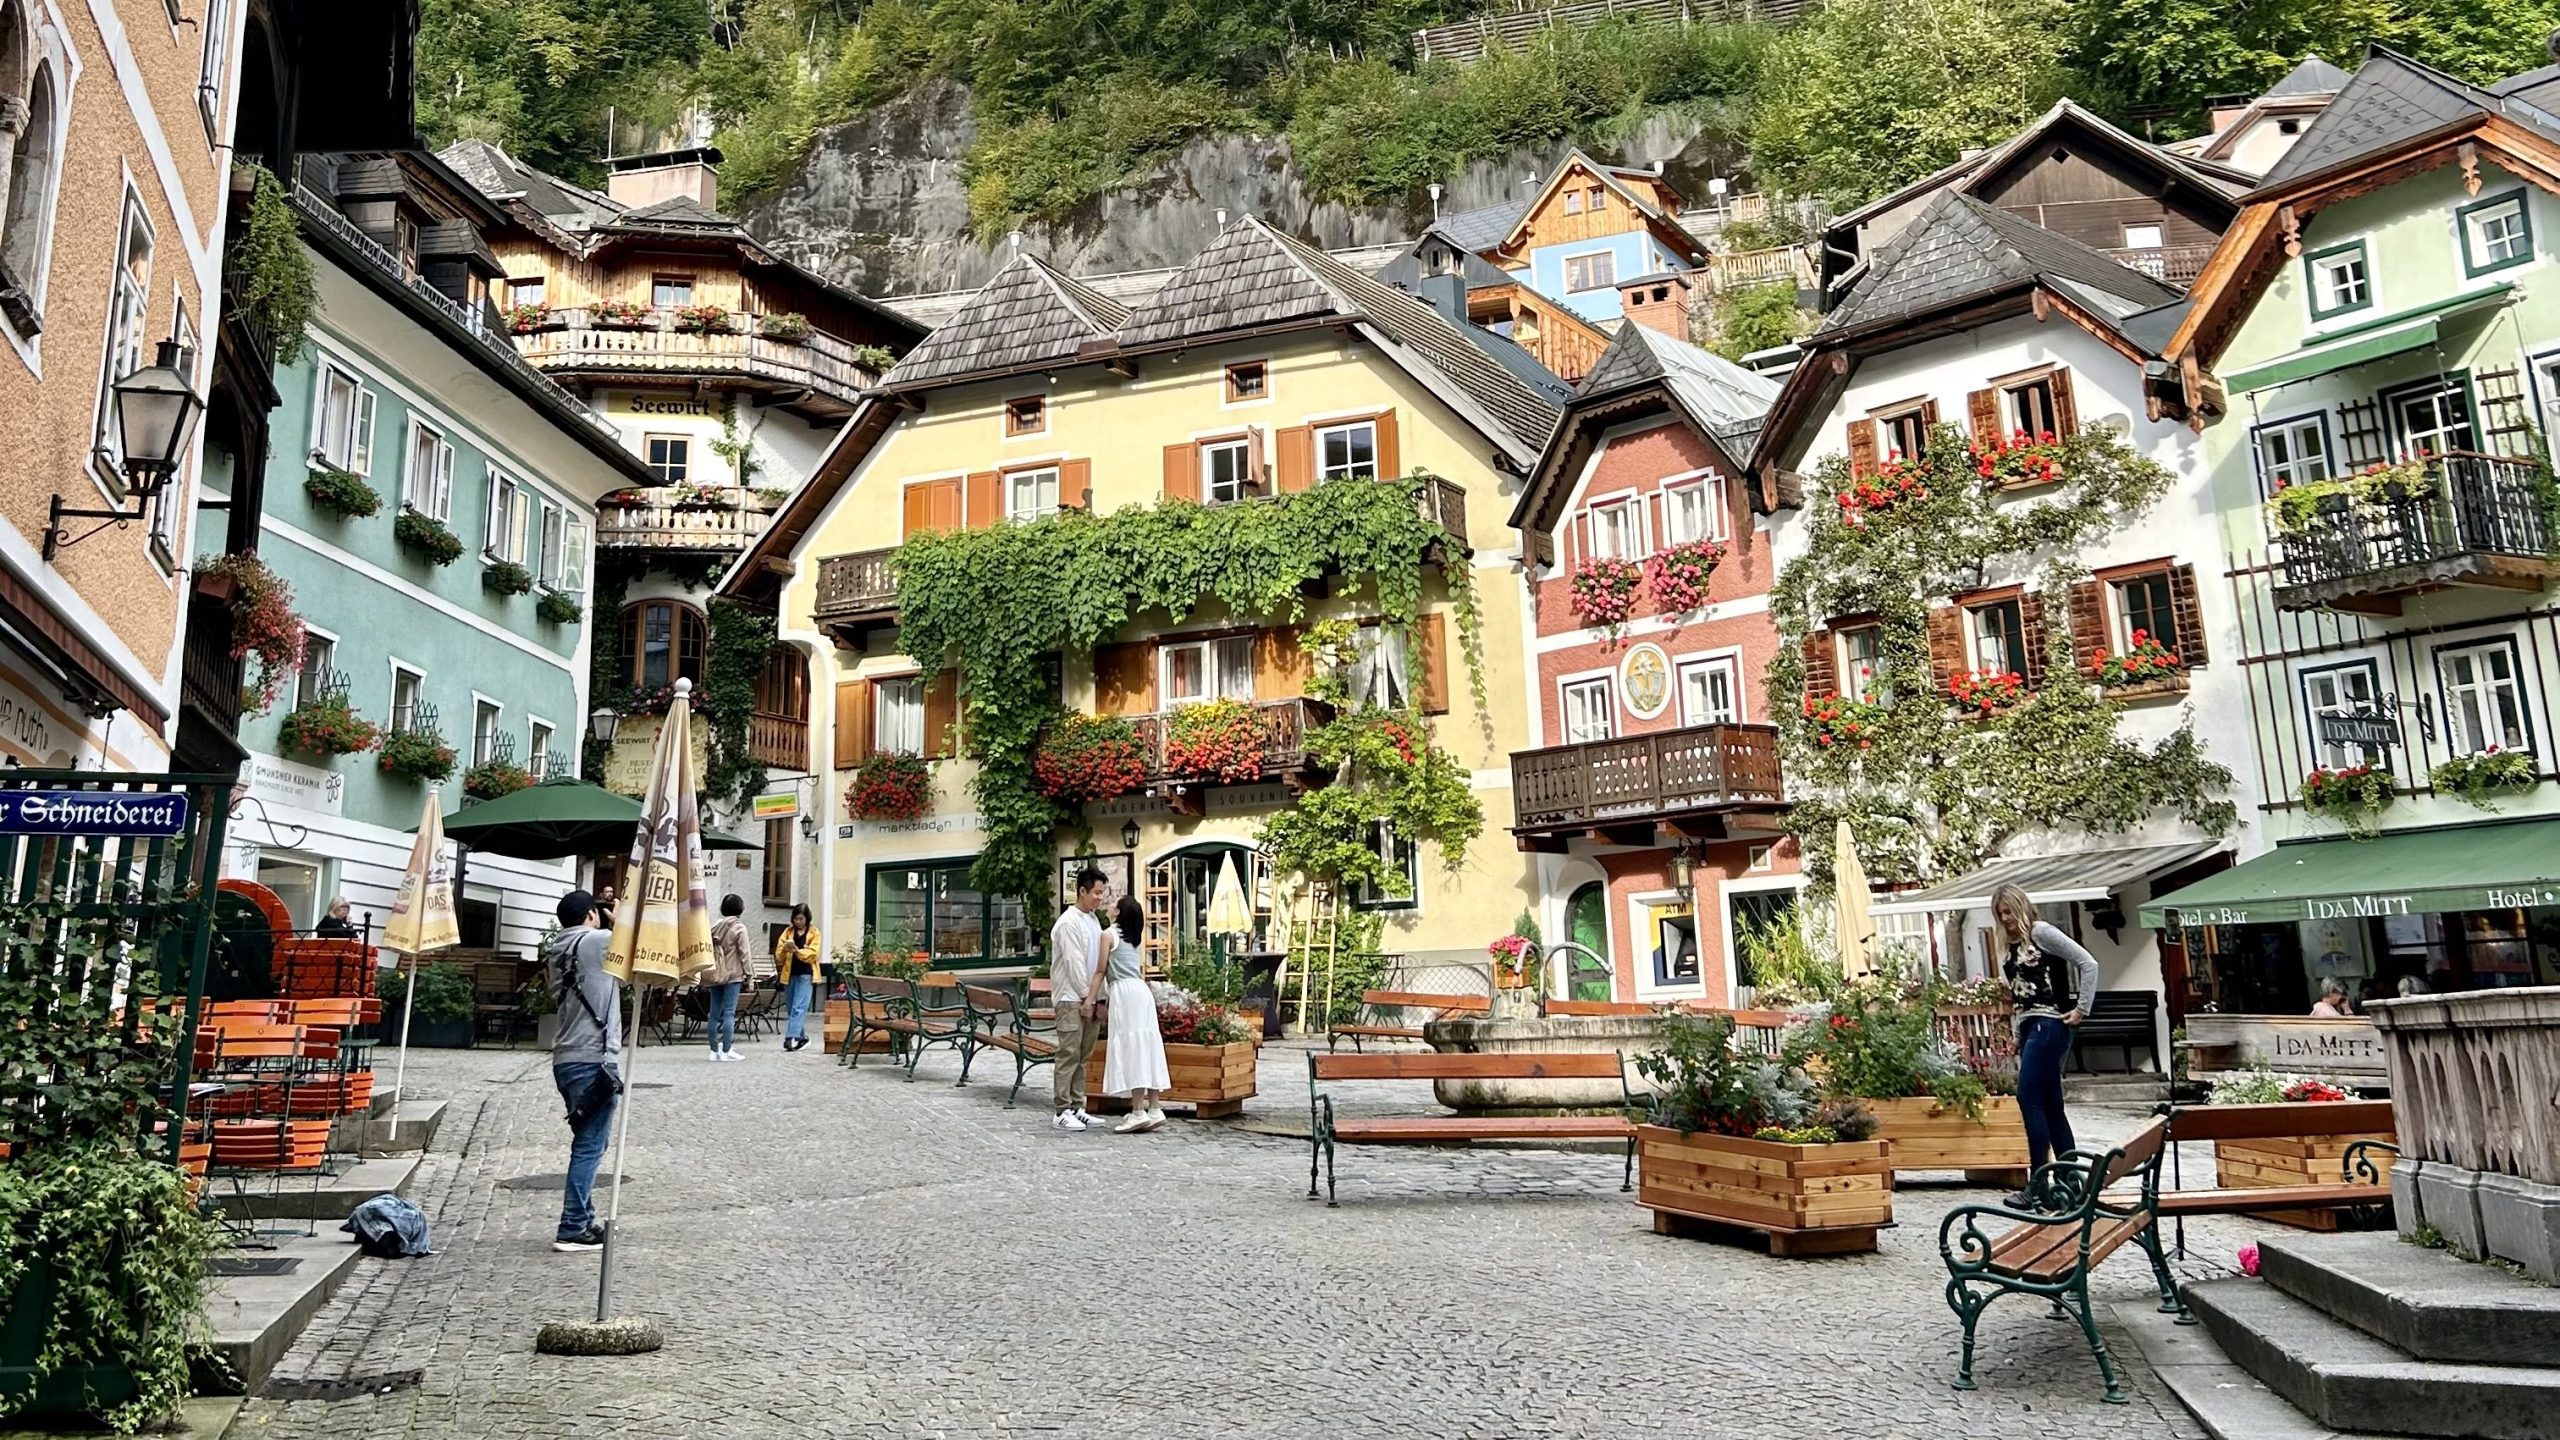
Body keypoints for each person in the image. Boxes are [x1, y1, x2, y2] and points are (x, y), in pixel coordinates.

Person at [1992, 883, 2097, 1206]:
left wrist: (2082, 1008)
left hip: (2049, 1024)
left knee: (2028, 1098)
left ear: (2021, 907)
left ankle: (2037, 1183)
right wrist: (2016, 1033)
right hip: (2030, 1027)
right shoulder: (2011, 943)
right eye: (2000, 914)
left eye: (2009, 911)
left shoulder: (2042, 932)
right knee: (2051, 1106)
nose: (2005, 919)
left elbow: (2088, 963)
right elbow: (2019, 994)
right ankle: (2069, 1180)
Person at [546, 890, 621, 1253]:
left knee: (589, 1141)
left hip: (566, 1058)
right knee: (589, 1146)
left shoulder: (558, 949)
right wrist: (618, 918)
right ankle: (573, 1227)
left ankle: (584, 1218)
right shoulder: (595, 942)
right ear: (591, 914)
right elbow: (638, 944)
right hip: (594, 1058)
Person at [1099, 895, 1169, 1133]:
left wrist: (1091, 999)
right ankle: (1155, 1108)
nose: (1110, 905)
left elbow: (1100, 970)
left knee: (1132, 1047)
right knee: (1147, 1045)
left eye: (1114, 904)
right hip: (1141, 991)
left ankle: (1138, 1110)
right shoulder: (1133, 939)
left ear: (1118, 912)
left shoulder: (1108, 935)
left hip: (1124, 993)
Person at [1048, 867, 1109, 1131]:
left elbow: (1099, 964)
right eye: (1096, 892)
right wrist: (1087, 997)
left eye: (1102, 893)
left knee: (1083, 1055)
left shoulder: (1093, 921)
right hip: (1071, 998)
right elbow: (1074, 965)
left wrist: (1099, 998)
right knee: (1069, 1054)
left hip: (1089, 998)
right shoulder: (1067, 923)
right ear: (1082, 891)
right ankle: (1061, 1110)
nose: (1100, 898)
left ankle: (1077, 1105)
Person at [706, 894, 751, 1062]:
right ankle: (726, 1049)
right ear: (740, 909)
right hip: (733, 975)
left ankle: (713, 1050)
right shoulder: (739, 928)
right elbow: (745, 954)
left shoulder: (715, 926)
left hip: (715, 974)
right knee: (729, 1013)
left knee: (714, 1013)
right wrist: (749, 976)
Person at [774, 904, 822, 1052]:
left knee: (799, 1007)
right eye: (795, 919)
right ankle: (802, 1038)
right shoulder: (788, 932)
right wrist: (785, 949)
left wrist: (797, 951)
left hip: (806, 974)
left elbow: (813, 954)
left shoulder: (814, 933)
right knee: (791, 1008)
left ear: (807, 918)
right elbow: (778, 955)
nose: (798, 922)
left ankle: (790, 1038)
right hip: (789, 974)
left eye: (801, 919)